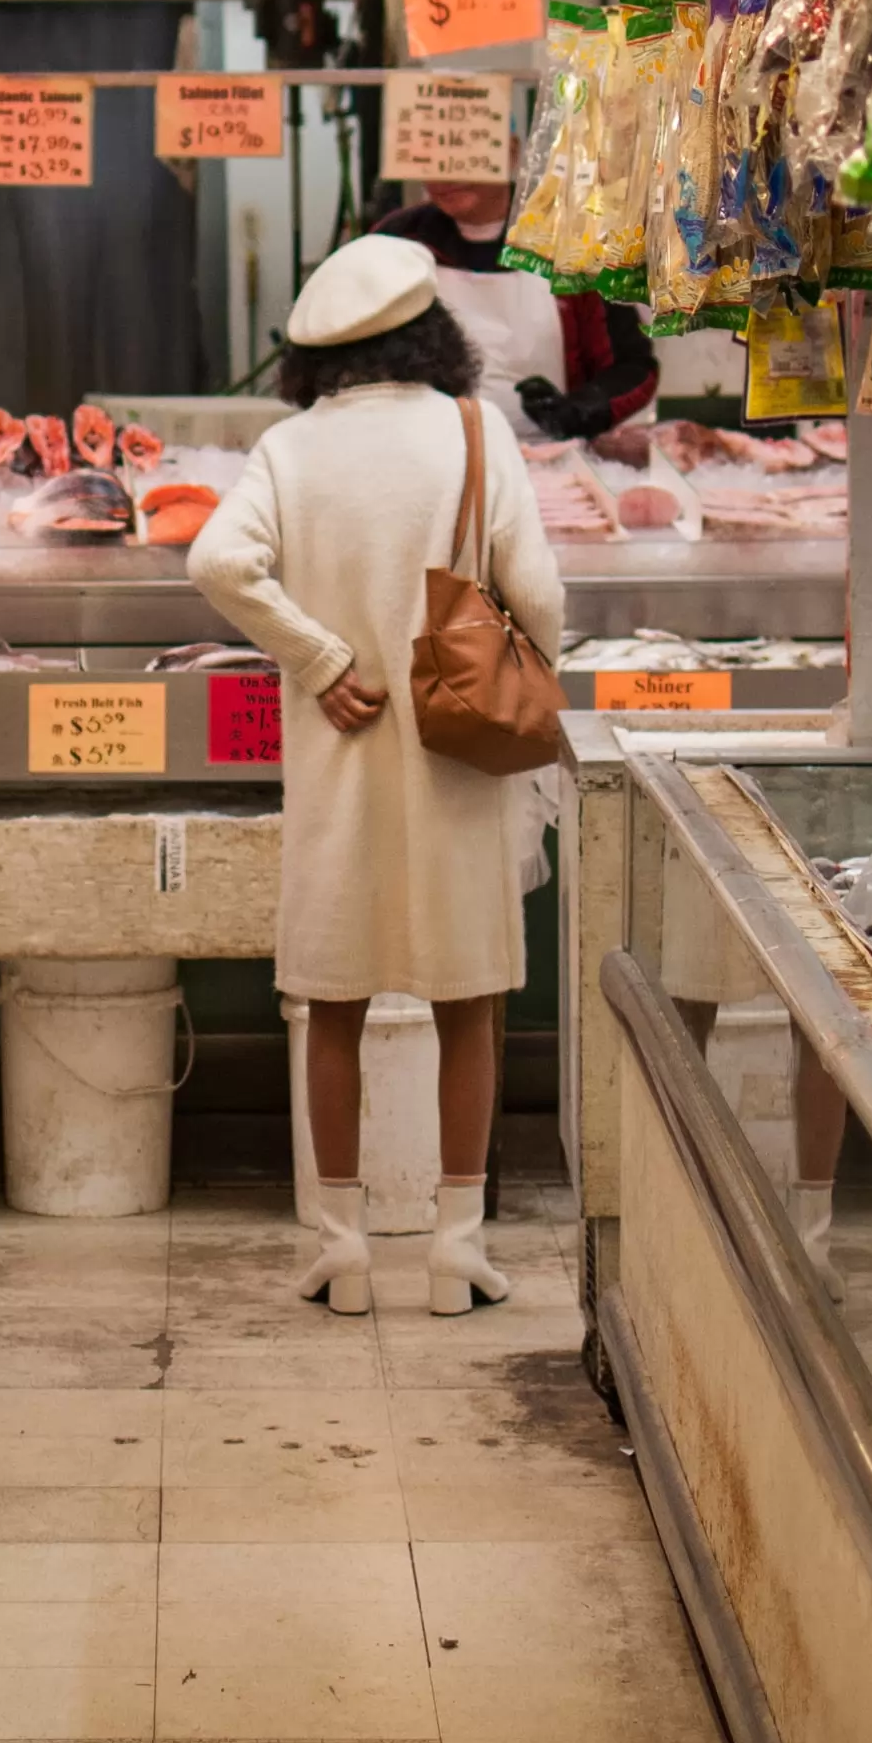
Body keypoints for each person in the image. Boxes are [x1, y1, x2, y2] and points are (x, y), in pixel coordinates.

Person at [188, 236, 562, 1315]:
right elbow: (537, 593)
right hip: (458, 762)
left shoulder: (291, 448)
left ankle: (340, 1249)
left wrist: (318, 657)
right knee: (471, 1001)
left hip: (341, 757)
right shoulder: (471, 429)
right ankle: (456, 1249)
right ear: (431, 334)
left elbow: (218, 561)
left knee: (333, 1002)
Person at [376, 175, 657, 441]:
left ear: (509, 152)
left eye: (463, 154)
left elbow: (632, 367)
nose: (445, 174)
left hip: (549, 463)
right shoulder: (395, 240)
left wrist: (584, 408)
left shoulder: (572, 241)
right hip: (428, 459)